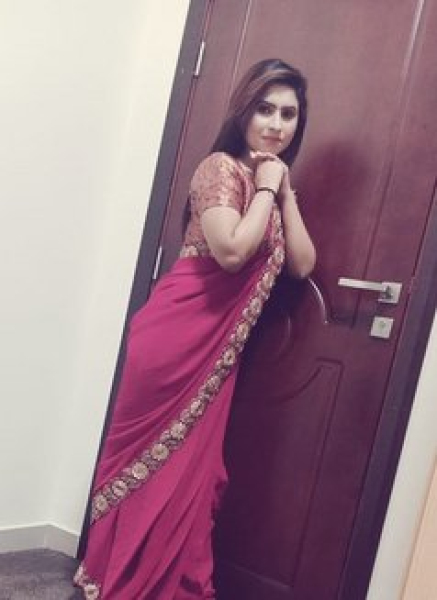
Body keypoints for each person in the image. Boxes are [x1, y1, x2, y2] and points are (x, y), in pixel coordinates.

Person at [74, 58, 316, 599]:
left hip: (217, 358)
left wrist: (283, 191)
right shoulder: (219, 170)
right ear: (243, 112)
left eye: (289, 114)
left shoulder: (272, 186)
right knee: (150, 468)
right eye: (265, 109)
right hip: (173, 342)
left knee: (193, 479)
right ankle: (120, 579)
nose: (276, 124)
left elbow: (302, 264)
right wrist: (264, 189)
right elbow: (230, 251)